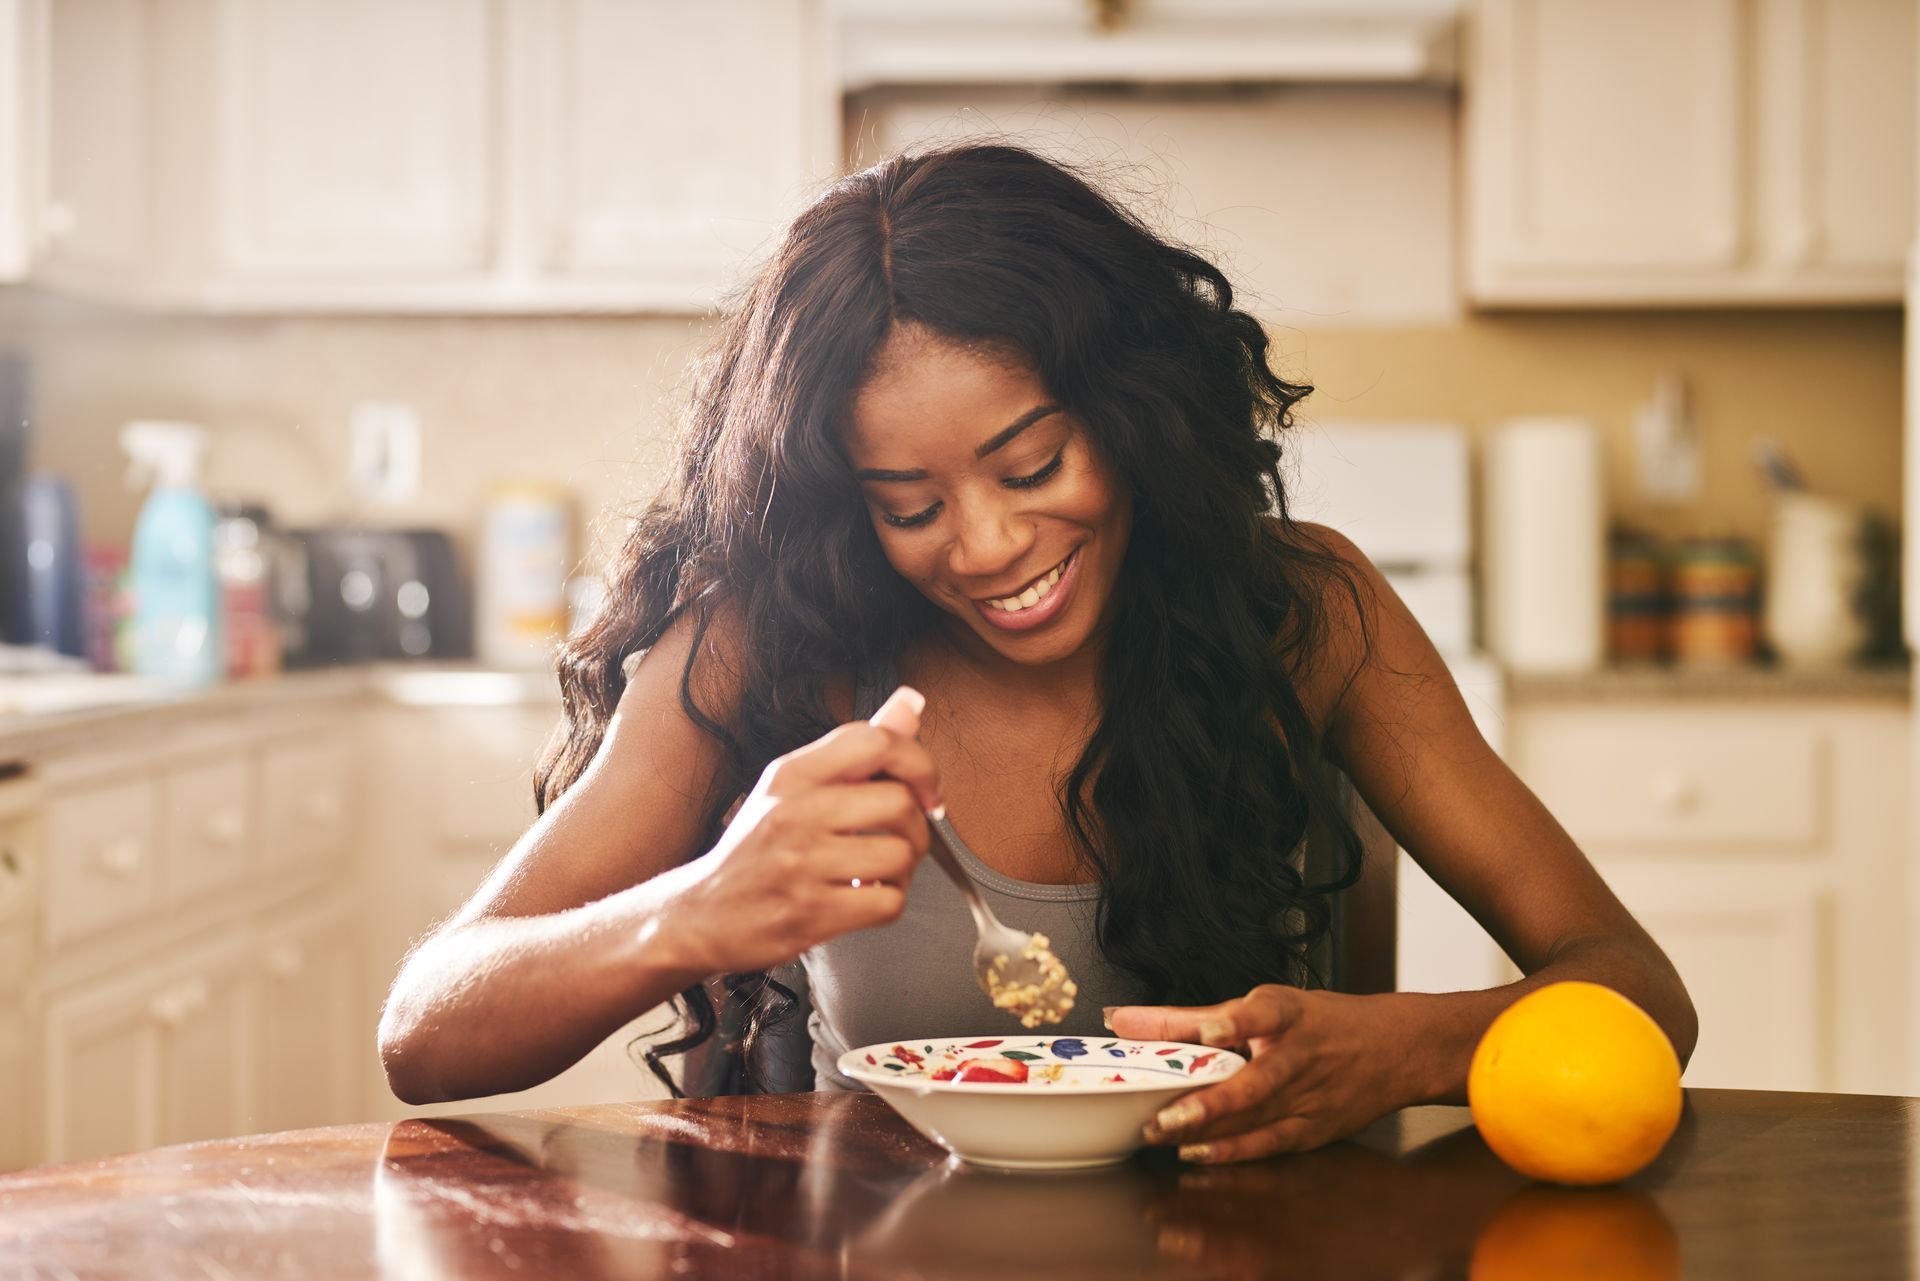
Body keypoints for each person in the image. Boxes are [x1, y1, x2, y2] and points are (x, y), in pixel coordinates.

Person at [378, 143, 1696, 1164]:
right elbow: (424, 1029)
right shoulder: (762, 650)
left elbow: (1638, 990)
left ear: (1135, 415)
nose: (990, 542)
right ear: (848, 503)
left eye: (1033, 463)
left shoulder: (1308, 615)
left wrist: (1406, 1049)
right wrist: (695, 906)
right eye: (911, 505)